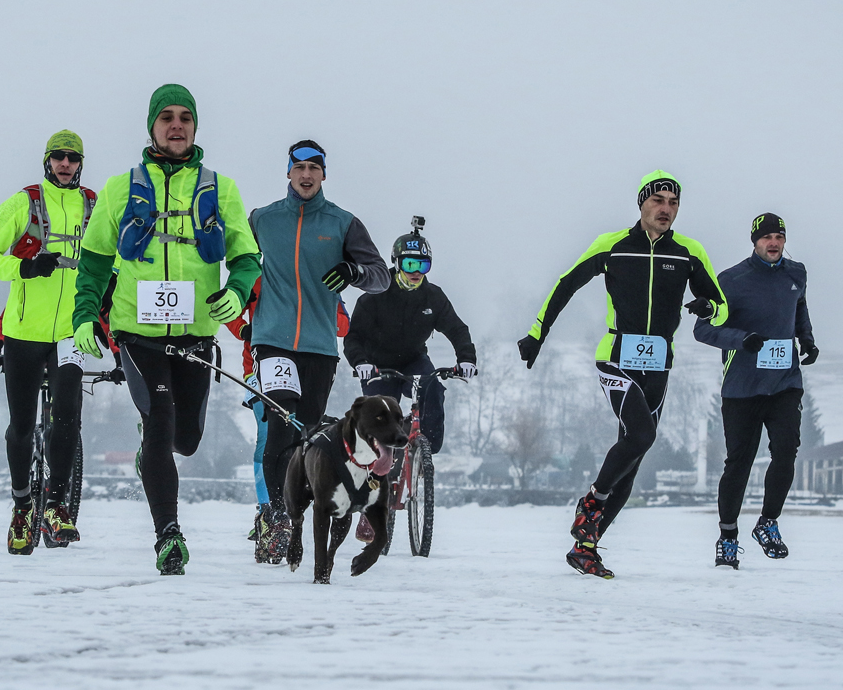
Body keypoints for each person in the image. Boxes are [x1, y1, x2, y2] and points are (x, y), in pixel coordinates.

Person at [72, 84, 261, 575]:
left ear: (195, 126)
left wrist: (238, 292)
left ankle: (149, 450)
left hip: (196, 333)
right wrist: (84, 315)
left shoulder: (222, 188)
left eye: (185, 118)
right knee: (159, 417)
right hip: (137, 332)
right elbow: (92, 263)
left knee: (188, 438)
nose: (176, 126)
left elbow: (245, 257)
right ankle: (168, 537)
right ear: (152, 126)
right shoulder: (120, 187)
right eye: (166, 118)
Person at [517, 170, 728, 578]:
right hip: (616, 357)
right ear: (642, 204)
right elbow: (565, 285)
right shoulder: (612, 246)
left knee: (633, 459)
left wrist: (707, 308)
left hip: (659, 365)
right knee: (641, 436)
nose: (666, 209)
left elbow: (721, 306)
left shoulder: (688, 251)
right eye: (658, 200)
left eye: (673, 203)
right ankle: (592, 502)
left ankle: (585, 548)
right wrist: (536, 334)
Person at [248, 139, 390, 562]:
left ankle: (292, 518)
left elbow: (381, 277)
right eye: (299, 167)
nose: (306, 174)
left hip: (319, 346)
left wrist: (354, 270)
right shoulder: (262, 219)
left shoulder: (343, 223)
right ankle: (274, 521)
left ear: (324, 175)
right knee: (280, 424)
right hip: (271, 341)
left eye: (315, 167)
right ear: (287, 173)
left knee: (304, 439)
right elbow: (229, 253)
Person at [0, 130, 96, 553]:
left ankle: (55, 505)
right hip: (23, 333)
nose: (66, 164)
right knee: (23, 426)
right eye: (59, 157)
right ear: (47, 161)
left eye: (73, 158)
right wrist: (23, 267)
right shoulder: (24, 202)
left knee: (68, 418)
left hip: (71, 333)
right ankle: (23, 506)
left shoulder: (94, 206)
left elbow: (117, 266)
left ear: (81, 163)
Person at [693, 213, 817, 568]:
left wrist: (806, 341)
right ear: (754, 242)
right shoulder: (730, 281)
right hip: (742, 388)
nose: (774, 243)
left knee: (786, 452)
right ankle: (728, 535)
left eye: (779, 236)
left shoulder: (797, 274)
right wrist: (741, 340)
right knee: (739, 464)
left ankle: (768, 523)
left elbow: (800, 308)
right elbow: (703, 330)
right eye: (767, 238)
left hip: (784, 384)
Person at [225, 277, 351, 557]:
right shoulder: (259, 276)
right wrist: (246, 329)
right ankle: (271, 512)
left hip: (313, 361)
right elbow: (228, 309)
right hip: (261, 366)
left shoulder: (319, 274)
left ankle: (284, 511)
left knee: (298, 439)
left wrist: (318, 314)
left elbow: (343, 324)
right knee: (270, 435)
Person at [343, 217, 477, 454]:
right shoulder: (376, 294)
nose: (416, 273)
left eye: (422, 266)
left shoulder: (433, 297)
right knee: (379, 416)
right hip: (377, 365)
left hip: (413, 360)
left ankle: (425, 449)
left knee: (432, 389)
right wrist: (361, 362)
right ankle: (379, 463)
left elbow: (457, 329)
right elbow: (353, 338)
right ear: (396, 263)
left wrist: (466, 358)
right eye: (410, 265)